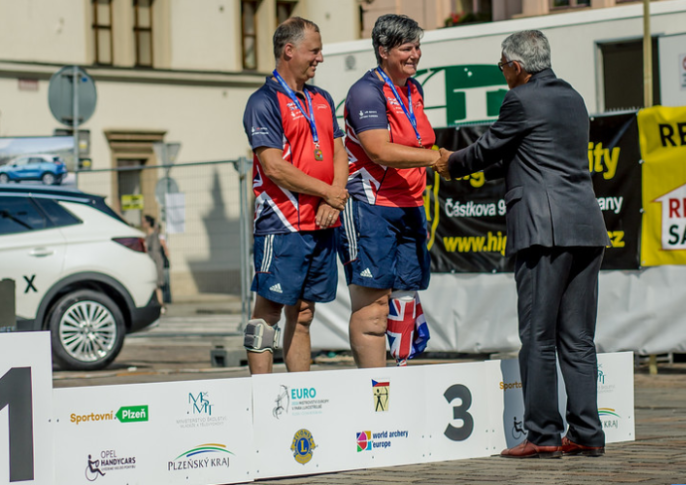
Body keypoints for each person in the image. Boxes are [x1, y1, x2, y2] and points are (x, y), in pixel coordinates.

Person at [434, 30, 610, 458]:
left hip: (543, 229)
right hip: (586, 226)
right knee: (578, 337)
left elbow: (489, 149)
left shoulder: (521, 100)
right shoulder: (573, 97)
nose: (502, 73)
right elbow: (530, 154)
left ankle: (543, 434)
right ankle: (587, 432)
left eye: (501, 66)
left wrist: (448, 163)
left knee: (537, 334)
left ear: (516, 66)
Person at [241, 17, 349, 374]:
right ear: (290, 50)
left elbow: (338, 153)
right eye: (314, 51)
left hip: (320, 222)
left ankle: (300, 396)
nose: (320, 58)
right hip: (281, 224)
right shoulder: (263, 101)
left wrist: (333, 200)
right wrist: (329, 194)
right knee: (268, 313)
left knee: (303, 312)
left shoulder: (322, 98)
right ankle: (262, 396)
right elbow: (274, 167)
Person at [337, 14, 439, 368]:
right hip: (371, 205)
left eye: (417, 47)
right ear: (383, 51)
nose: (415, 54)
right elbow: (379, 150)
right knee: (375, 306)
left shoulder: (415, 89)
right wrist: (435, 158)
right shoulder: (366, 90)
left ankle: (403, 380)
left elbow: (418, 143)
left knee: (407, 297)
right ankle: (376, 393)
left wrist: (432, 159)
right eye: (406, 48)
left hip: (410, 204)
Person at [141, 214, 167, 314]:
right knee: (151, 284)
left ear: (148, 223)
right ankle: (156, 304)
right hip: (149, 260)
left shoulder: (154, 235)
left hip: (155, 261)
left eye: (143, 222)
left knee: (157, 283)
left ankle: (161, 305)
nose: (142, 223)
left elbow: (155, 250)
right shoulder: (147, 235)